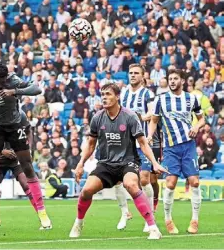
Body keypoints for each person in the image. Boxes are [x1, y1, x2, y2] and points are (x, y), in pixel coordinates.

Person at [69, 83, 166, 240]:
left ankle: (153, 227)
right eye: (103, 94)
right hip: (106, 163)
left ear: (117, 96)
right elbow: (91, 144)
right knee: (86, 191)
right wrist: (80, 163)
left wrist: (154, 162)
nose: (105, 97)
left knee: (132, 185)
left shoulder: (130, 116)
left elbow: (142, 142)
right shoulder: (97, 118)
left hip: (128, 162)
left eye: (108, 94)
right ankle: (78, 223)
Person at [0, 63, 52, 236]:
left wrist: (15, 92)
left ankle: (42, 212)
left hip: (14, 125)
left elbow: (36, 89)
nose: (0, 85)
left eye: (3, 82)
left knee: (27, 166)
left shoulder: (13, 80)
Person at [147, 69, 205, 235]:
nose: (172, 81)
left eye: (175, 79)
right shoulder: (161, 100)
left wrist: (196, 126)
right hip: (171, 148)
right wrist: (150, 136)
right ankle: (167, 218)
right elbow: (154, 121)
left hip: (188, 146)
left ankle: (195, 220)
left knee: (194, 182)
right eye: (170, 79)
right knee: (171, 183)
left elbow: (202, 119)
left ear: (182, 81)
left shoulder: (191, 98)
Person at [116, 64, 161, 232]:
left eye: (136, 73)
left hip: (141, 142)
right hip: (123, 144)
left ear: (143, 76)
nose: (133, 75)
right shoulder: (124, 93)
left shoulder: (148, 94)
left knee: (144, 179)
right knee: (118, 181)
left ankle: (149, 215)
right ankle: (125, 212)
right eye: (131, 73)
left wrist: (138, 116)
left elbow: (152, 114)